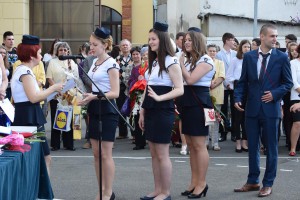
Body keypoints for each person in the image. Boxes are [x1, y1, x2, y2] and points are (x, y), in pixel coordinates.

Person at [234, 24, 293, 197]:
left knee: (271, 148)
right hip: (251, 109)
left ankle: (268, 183)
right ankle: (253, 181)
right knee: (252, 147)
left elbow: (288, 83)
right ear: (262, 36)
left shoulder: (282, 57)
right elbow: (243, 81)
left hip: (271, 110)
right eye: (272, 36)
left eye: (276, 36)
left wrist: (274, 94)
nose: (275, 39)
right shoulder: (249, 57)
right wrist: (238, 97)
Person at [138, 22, 183, 200]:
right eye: (149, 39)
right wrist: (142, 110)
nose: (150, 42)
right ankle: (157, 190)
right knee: (153, 152)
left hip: (163, 109)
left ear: (162, 39)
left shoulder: (171, 60)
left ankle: (166, 192)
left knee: (162, 153)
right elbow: (147, 88)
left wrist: (159, 98)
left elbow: (180, 89)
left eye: (153, 39)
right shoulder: (155, 61)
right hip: (150, 109)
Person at [10, 35, 63, 175]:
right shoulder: (25, 72)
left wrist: (50, 92)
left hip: (29, 116)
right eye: (39, 52)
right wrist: (53, 88)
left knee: (43, 156)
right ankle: (40, 191)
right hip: (28, 118)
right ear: (32, 55)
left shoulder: (24, 71)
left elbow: (32, 95)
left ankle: (40, 190)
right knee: (39, 157)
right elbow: (33, 97)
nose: (41, 55)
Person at [78, 27, 119, 200]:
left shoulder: (112, 64)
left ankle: (108, 192)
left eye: (95, 44)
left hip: (108, 109)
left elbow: (115, 92)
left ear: (105, 45)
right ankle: (101, 189)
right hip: (95, 107)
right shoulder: (94, 62)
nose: (91, 47)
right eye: (90, 44)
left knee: (105, 153)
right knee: (96, 153)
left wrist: (94, 96)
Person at [179, 27, 214, 199]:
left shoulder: (206, 60)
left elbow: (191, 79)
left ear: (197, 41)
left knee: (199, 145)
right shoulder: (187, 60)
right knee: (191, 146)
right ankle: (194, 182)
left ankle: (202, 183)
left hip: (199, 103)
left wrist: (179, 63)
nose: (186, 42)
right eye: (185, 40)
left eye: (189, 40)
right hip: (186, 103)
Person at [46, 42, 79, 151]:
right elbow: (49, 78)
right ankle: (55, 144)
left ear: (68, 51)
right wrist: (57, 88)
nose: (63, 52)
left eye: (65, 50)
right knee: (56, 117)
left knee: (69, 118)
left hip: (69, 94)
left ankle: (68, 144)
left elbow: (75, 78)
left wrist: (68, 91)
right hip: (56, 94)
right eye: (61, 50)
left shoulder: (72, 62)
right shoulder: (52, 62)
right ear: (57, 51)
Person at [226, 40, 251, 153]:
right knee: (237, 117)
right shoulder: (235, 60)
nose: (247, 49)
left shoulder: (251, 60)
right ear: (241, 48)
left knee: (247, 117)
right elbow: (229, 75)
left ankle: (245, 141)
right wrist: (232, 85)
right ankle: (238, 141)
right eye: (245, 46)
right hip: (237, 87)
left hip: (249, 89)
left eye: (248, 47)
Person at [216, 32, 237, 142]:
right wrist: (226, 83)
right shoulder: (219, 54)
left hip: (234, 85)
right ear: (226, 41)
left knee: (234, 109)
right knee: (223, 109)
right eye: (232, 40)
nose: (234, 42)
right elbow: (220, 70)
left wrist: (231, 83)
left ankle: (234, 133)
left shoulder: (235, 53)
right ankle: (223, 132)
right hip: (223, 86)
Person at [127, 46, 146, 150]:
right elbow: (128, 81)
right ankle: (139, 141)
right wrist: (136, 82)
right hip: (135, 95)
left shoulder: (146, 65)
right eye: (133, 54)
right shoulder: (132, 68)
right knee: (137, 117)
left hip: (145, 94)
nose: (135, 56)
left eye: (137, 54)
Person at [206, 43, 225, 151]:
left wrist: (211, 84)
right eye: (210, 51)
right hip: (207, 94)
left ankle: (215, 142)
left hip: (217, 93)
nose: (212, 53)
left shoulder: (220, 63)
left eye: (214, 51)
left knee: (216, 119)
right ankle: (206, 141)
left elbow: (222, 76)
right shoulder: (204, 63)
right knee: (208, 119)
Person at [289, 43, 300, 156]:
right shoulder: (293, 63)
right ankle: (293, 148)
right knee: (297, 123)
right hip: (296, 96)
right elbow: (293, 82)